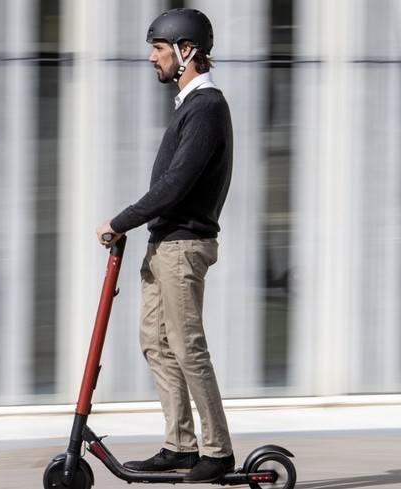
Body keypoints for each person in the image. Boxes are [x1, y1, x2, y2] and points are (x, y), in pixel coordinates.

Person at [95, 8, 235, 483]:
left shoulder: (207, 107)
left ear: (186, 51)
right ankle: (180, 444)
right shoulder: (189, 107)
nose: (152, 58)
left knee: (187, 345)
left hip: (183, 246)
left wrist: (120, 220)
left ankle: (217, 451)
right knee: (156, 342)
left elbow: (175, 185)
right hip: (164, 243)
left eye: (158, 49)